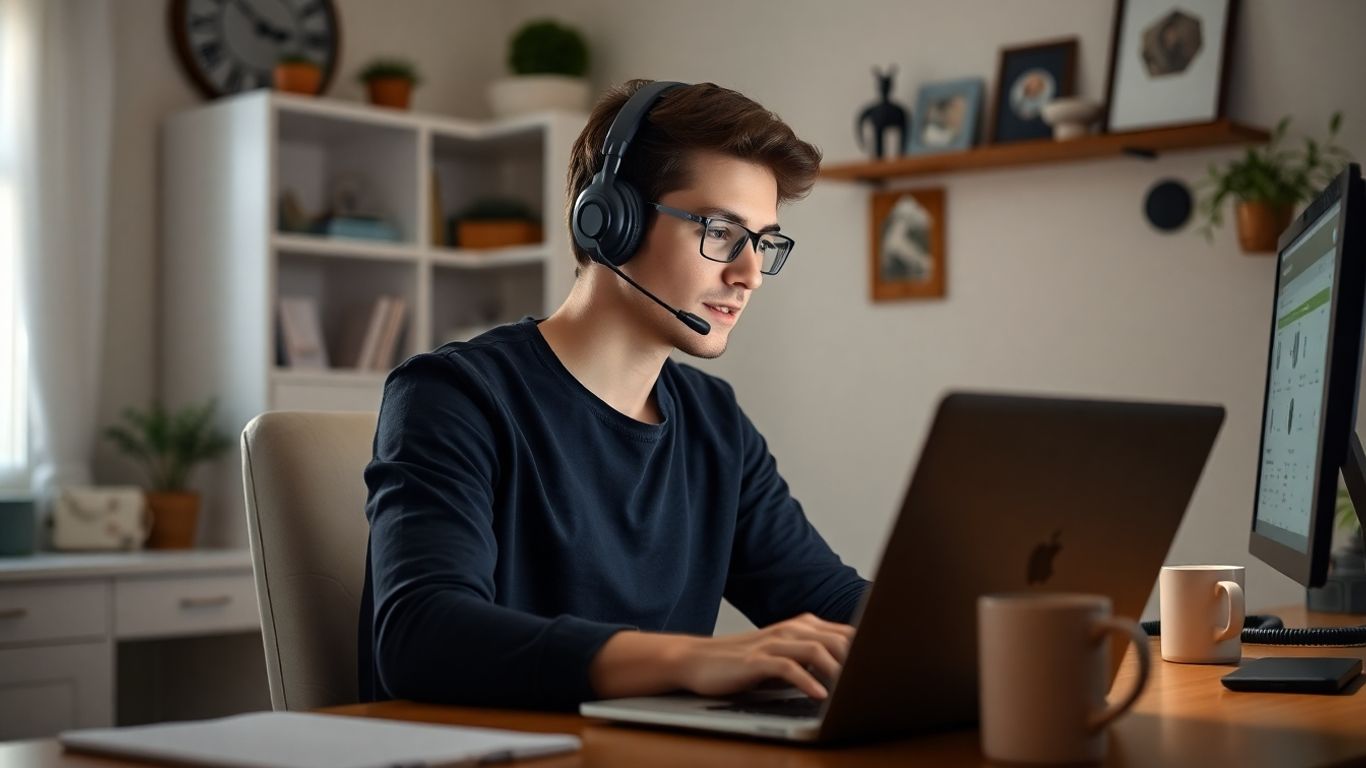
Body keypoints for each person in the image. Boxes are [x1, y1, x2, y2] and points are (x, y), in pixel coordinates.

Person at [359, 79, 870, 712]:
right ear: (610, 220)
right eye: (721, 231)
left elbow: (828, 598)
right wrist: (695, 659)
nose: (749, 274)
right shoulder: (452, 397)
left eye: (763, 242)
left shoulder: (716, 425)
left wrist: (966, 631)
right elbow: (421, 637)